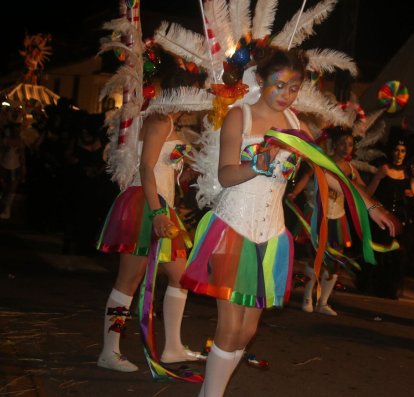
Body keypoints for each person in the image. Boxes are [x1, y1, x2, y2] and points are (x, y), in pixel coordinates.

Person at [181, 47, 398, 397]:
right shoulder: (241, 117)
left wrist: (371, 207)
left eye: (293, 87)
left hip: (271, 234)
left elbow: (329, 171)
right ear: (261, 80)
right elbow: (224, 175)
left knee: (248, 331)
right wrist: (256, 166)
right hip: (233, 228)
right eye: (278, 85)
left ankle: (212, 388)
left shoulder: (295, 125)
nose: (285, 94)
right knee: (231, 326)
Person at [96, 55, 200, 372]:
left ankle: (172, 348)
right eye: (194, 91)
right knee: (129, 279)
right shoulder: (159, 120)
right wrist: (156, 212)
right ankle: (109, 352)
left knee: (181, 276)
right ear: (180, 92)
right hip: (147, 205)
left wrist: (187, 172)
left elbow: (163, 167)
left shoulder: (166, 121)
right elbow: (145, 167)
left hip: (161, 205)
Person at [288, 127, 368, 316]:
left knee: (335, 262)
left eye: (350, 144)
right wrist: (296, 192)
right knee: (315, 258)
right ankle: (307, 298)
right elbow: (307, 176)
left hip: (338, 218)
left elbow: (364, 191)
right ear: (334, 144)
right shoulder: (323, 161)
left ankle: (323, 302)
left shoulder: (351, 169)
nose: (346, 148)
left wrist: (377, 183)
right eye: (342, 143)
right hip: (318, 215)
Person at [363, 127, 414, 299]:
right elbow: (368, 193)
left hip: (400, 220)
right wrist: (377, 178)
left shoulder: (408, 173)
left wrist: (411, 195)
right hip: (382, 219)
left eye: (403, 151)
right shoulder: (384, 170)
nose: (399, 154)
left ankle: (388, 289)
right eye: (396, 150)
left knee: (396, 256)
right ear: (391, 151)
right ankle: (372, 285)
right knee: (378, 253)